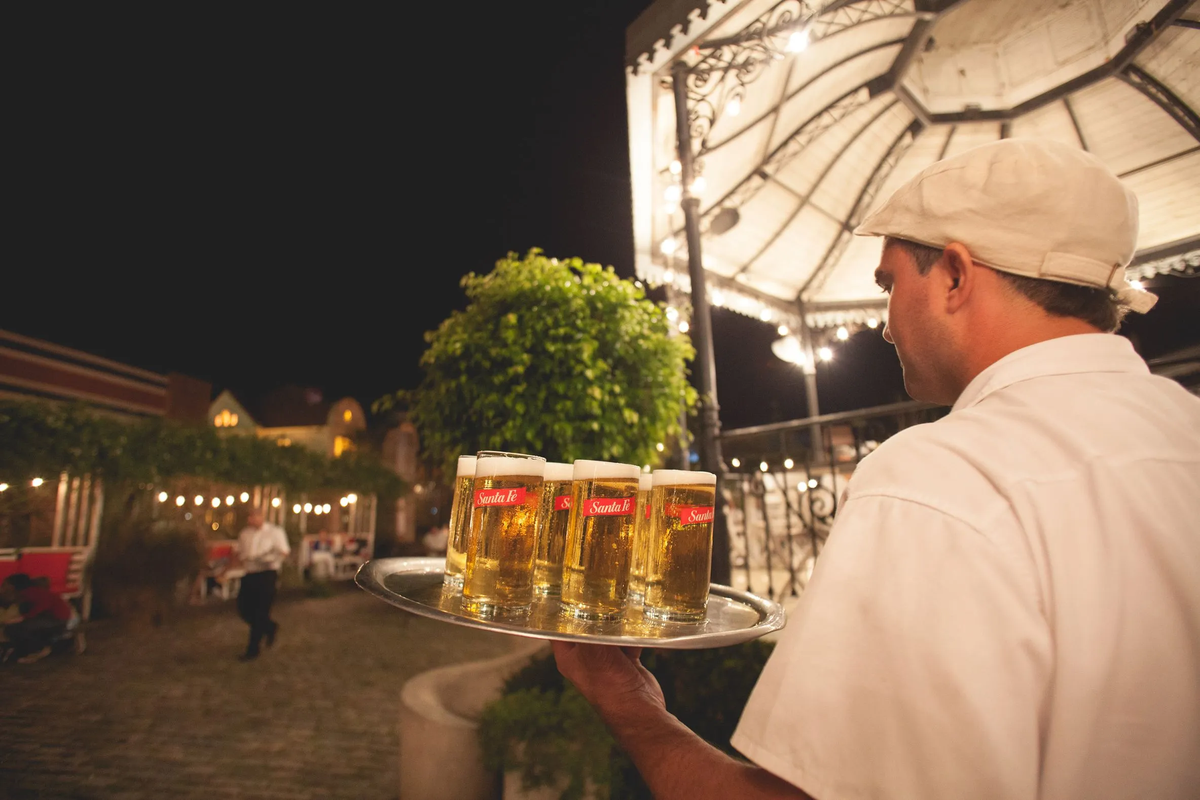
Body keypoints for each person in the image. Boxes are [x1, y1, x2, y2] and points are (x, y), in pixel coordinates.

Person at [553, 138, 1200, 799]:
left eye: (890, 284)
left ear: (954, 274)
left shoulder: (942, 474)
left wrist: (628, 702)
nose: (886, 325)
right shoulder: (1185, 427)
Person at [232, 508, 290, 661]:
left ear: (261, 517)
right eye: (249, 517)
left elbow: (284, 552)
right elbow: (238, 553)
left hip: (267, 574)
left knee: (260, 611)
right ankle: (269, 627)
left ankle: (253, 649)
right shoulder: (245, 534)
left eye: (254, 516)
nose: (251, 520)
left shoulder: (275, 532)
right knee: (243, 608)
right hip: (250, 574)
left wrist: (271, 558)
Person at [1, 572, 75, 664]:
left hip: (57, 619)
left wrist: (23, 618)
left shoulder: (29, 592)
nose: (2, 587)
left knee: (20, 628)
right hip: (56, 617)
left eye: (5, 584)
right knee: (18, 627)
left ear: (12, 586)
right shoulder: (30, 592)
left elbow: (42, 605)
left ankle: (37, 649)